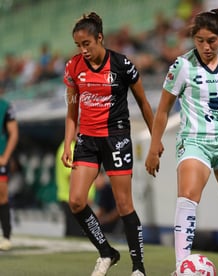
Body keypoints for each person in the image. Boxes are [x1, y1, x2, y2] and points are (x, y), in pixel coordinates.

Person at [145, 8, 218, 276]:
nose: (206, 47)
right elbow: (162, 110)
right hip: (195, 141)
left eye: (211, 40)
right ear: (193, 39)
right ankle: (180, 270)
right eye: (200, 41)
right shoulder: (182, 66)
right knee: (187, 197)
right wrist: (154, 145)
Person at [62, 12, 161, 276]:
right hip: (87, 140)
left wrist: (155, 140)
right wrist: (67, 143)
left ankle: (138, 267)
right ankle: (107, 252)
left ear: (100, 38)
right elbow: (72, 109)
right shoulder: (73, 67)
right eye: (78, 46)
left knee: (124, 205)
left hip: (116, 138)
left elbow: (143, 102)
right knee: (76, 202)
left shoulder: (122, 64)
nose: (82, 50)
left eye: (87, 44)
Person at [55, 136, 95, 237]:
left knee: (74, 231)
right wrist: (83, 195)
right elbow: (71, 176)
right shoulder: (69, 148)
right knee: (77, 233)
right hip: (72, 199)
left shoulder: (77, 146)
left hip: (76, 199)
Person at [0, 98, 18, 251]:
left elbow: (14, 133)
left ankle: (6, 236)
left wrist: (5, 157)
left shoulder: (5, 107)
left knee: (2, 195)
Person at [94, 169, 121, 234]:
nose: (94, 182)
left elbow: (117, 212)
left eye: (96, 178)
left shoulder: (107, 189)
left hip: (115, 224)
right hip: (107, 220)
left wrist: (103, 220)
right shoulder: (100, 191)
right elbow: (101, 210)